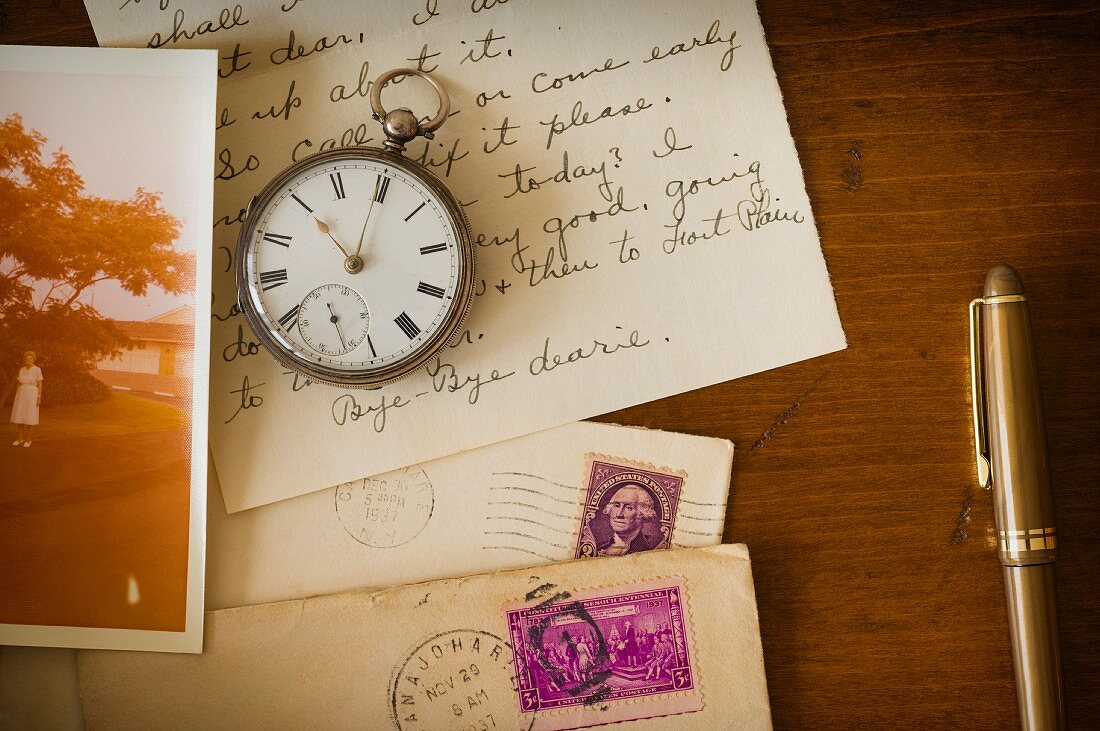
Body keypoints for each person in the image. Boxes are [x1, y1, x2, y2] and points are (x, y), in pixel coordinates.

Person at [580, 484, 662, 556]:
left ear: (642, 514)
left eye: (628, 508)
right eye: (616, 505)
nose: (619, 514)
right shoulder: (598, 547)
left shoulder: (647, 554)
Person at [11, 351, 43, 448]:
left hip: (32, 393)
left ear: (33, 360)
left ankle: (28, 439)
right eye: (27, 358)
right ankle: (20, 438)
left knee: (30, 415)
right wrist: (16, 395)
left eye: (30, 359)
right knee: (20, 414)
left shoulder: (37, 369)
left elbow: (40, 384)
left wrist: (39, 396)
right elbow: (18, 383)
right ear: (24, 359)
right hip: (21, 393)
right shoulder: (22, 369)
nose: (28, 360)